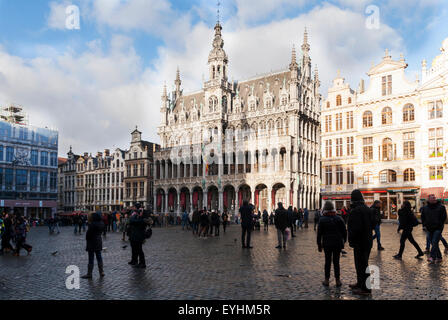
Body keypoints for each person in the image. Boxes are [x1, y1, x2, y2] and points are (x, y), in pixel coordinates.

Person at [347, 189, 374, 295]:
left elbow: (355, 228)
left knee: (362, 265)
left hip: (360, 241)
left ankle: (366, 288)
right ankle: (360, 283)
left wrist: (351, 240)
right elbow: (373, 223)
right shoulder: (367, 209)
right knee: (361, 264)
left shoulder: (356, 211)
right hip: (367, 240)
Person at [317, 201, 347, 287]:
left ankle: (326, 280)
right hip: (337, 243)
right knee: (336, 262)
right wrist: (344, 241)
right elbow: (344, 232)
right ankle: (337, 280)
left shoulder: (322, 219)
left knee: (327, 261)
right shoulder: (339, 218)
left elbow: (319, 234)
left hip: (327, 244)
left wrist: (319, 245)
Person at [421, 194, 447, 264]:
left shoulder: (441, 207)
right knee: (433, 243)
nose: (434, 199)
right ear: (428, 199)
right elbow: (423, 217)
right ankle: (439, 257)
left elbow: (444, 217)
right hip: (429, 228)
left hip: (438, 228)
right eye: (432, 198)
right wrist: (424, 225)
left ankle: (432, 257)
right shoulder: (425, 208)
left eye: (434, 198)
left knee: (435, 241)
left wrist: (440, 224)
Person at [81, 212, 105, 279]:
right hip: (99, 241)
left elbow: (88, 234)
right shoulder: (101, 223)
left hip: (92, 242)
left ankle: (89, 273)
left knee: (91, 258)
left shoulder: (92, 224)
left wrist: (87, 238)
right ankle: (101, 272)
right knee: (99, 256)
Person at [128, 203, 149, 268]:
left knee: (139, 249)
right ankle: (135, 261)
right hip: (134, 233)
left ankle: (142, 263)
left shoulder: (142, 213)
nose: (133, 208)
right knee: (134, 248)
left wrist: (134, 220)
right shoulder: (134, 213)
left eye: (134, 207)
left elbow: (141, 221)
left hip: (139, 234)